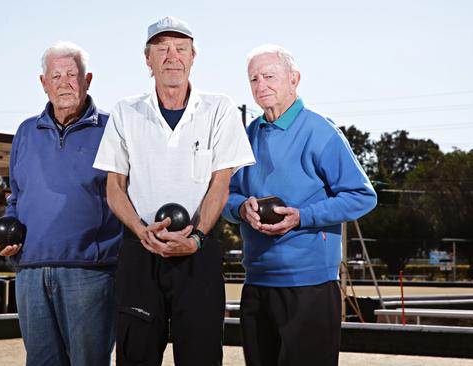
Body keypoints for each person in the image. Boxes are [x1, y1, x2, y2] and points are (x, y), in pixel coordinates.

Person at [93, 16, 255, 366]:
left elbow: (221, 184)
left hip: (198, 251)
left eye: (180, 48)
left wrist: (196, 237)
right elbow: (115, 188)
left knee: (201, 357)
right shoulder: (125, 111)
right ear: (147, 59)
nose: (172, 56)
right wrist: (140, 230)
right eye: (161, 49)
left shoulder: (219, 109)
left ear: (193, 56)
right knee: (135, 357)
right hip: (140, 252)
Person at [221, 45, 378, 366]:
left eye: (269, 76)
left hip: (309, 287)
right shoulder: (246, 136)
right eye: (253, 79)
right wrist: (240, 209)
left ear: (294, 80)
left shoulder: (320, 131)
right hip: (256, 283)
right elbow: (225, 197)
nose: (261, 85)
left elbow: (362, 195)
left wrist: (302, 217)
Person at [0, 41, 123, 366]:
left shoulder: (113, 130)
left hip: (90, 274)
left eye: (72, 74)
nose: (64, 83)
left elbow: (128, 197)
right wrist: (7, 236)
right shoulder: (25, 132)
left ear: (87, 79)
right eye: (56, 75)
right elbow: (16, 197)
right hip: (31, 272)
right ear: (43, 83)